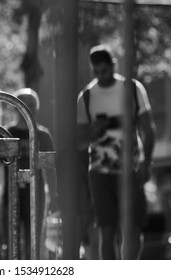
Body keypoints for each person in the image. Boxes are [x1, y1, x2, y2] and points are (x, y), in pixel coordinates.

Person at [76, 45, 156, 259]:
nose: (101, 76)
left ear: (113, 65)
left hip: (131, 170)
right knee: (106, 230)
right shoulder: (86, 96)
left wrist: (146, 164)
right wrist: (92, 132)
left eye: (105, 70)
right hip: (100, 174)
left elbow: (148, 129)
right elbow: (79, 143)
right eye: (96, 72)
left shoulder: (132, 88)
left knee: (132, 229)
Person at [1, 88, 57, 259]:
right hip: (12, 192)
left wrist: (54, 195)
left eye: (33, 104)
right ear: (16, 107)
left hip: (36, 193)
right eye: (25, 104)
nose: (29, 108)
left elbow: (53, 169)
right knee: (12, 238)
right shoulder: (6, 133)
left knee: (35, 238)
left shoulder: (43, 135)